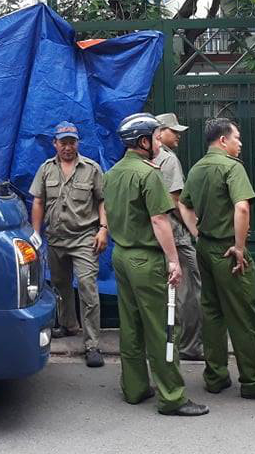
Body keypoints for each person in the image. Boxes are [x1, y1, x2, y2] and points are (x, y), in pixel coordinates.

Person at [178, 118, 255, 402]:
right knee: (243, 316)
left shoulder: (197, 168)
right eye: (237, 138)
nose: (240, 144)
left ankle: (215, 377)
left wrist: (196, 231)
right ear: (223, 141)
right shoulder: (231, 167)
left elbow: (183, 202)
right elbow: (241, 208)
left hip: (205, 247)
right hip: (228, 250)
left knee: (212, 313)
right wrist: (239, 247)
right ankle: (254, 381)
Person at [104, 113, 208, 416]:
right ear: (143, 141)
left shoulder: (112, 174)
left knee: (131, 326)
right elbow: (159, 219)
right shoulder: (148, 174)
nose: (159, 146)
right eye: (154, 138)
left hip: (121, 256)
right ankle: (172, 397)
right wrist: (173, 260)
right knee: (163, 329)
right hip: (146, 259)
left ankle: (134, 388)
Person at [30, 121, 108, 368]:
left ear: (78, 143)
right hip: (56, 238)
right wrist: (35, 234)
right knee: (61, 285)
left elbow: (103, 201)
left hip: (85, 237)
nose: (67, 147)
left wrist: (104, 229)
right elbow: (38, 202)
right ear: (55, 144)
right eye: (63, 142)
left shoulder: (92, 169)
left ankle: (92, 344)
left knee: (87, 286)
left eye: (71, 142)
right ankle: (68, 325)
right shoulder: (45, 170)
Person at [153, 113, 203, 361]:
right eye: (174, 131)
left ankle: (165, 342)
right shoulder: (168, 160)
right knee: (189, 289)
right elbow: (176, 200)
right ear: (159, 133)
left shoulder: (143, 158)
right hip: (175, 234)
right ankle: (190, 345)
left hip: (153, 236)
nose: (179, 135)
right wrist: (193, 229)